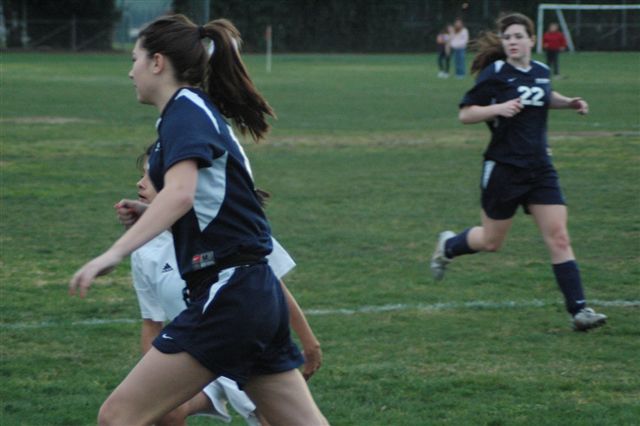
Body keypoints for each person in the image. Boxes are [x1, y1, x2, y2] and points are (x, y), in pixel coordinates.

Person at [69, 14, 328, 425]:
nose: (131, 71)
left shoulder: (184, 111)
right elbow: (206, 201)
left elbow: (181, 193)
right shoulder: (189, 111)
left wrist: (113, 253)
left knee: (117, 416)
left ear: (157, 62)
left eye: (135, 59)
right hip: (253, 293)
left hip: (230, 293)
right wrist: (150, 213)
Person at [429, 13, 607, 332]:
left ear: (531, 40)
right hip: (504, 169)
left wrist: (569, 103)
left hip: (540, 168)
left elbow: (542, 95)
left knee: (559, 237)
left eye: (517, 36)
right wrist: (498, 109)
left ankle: (579, 311)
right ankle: (448, 246)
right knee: (491, 241)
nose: (512, 42)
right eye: (507, 37)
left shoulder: (541, 70)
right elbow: (466, 114)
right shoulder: (496, 72)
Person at [124, 148, 323, 425]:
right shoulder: (144, 249)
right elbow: (151, 321)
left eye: (151, 175)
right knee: (161, 411)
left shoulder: (226, 226)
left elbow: (273, 286)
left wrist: (309, 343)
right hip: (197, 350)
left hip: (241, 342)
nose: (141, 183)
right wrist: (152, 381)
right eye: (142, 174)